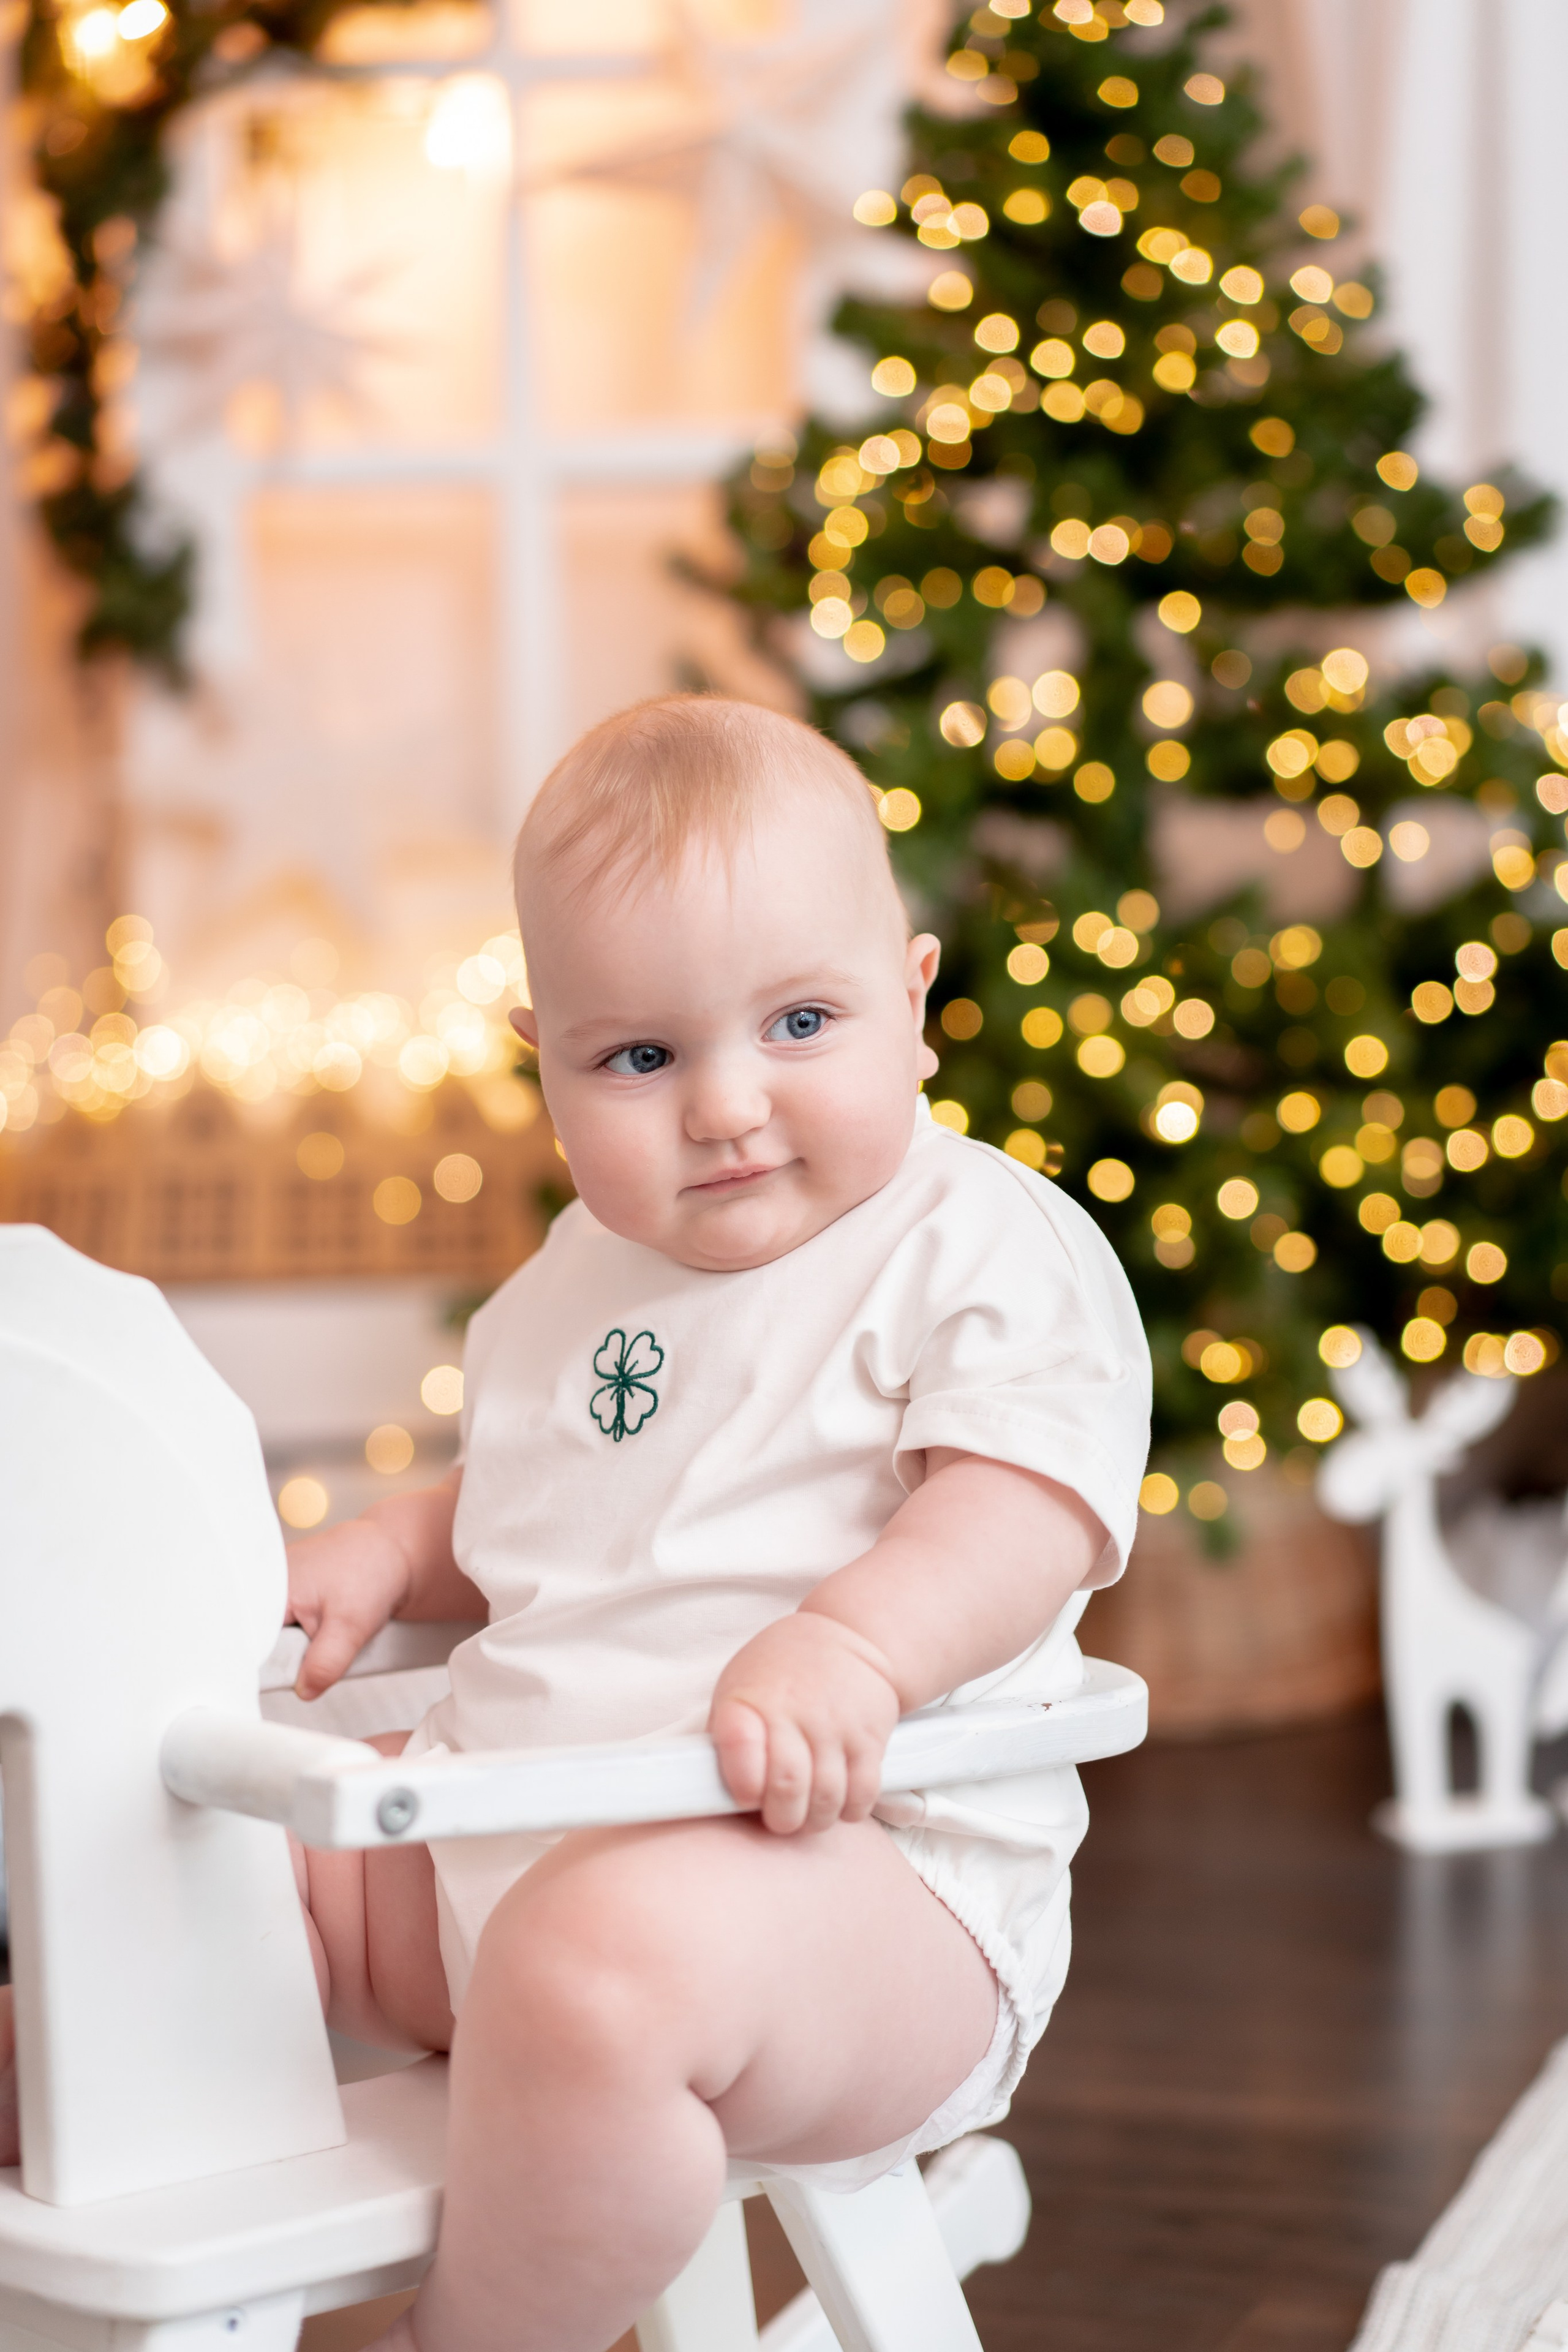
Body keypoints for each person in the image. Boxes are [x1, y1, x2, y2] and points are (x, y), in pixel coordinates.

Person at [24, 696, 1149, 2352]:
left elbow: (1023, 1509)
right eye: (641, 1057)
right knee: (197, 1850)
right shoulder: (578, 1278)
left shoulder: (972, 1244)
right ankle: (59, 2084)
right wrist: (399, 1551)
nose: (726, 1105)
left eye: (801, 1022)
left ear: (915, 1004)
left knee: (599, 1956)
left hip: (860, 1892)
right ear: (545, 1059)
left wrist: (855, 1648)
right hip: (504, 1835)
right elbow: (547, 1507)